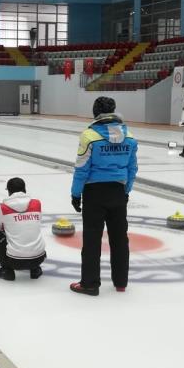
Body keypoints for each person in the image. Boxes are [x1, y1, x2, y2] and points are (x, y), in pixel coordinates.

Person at [69, 97, 138, 296]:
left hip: (94, 193)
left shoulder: (89, 135)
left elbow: (82, 168)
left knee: (92, 239)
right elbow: (132, 168)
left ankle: (90, 284)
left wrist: (75, 194)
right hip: (118, 192)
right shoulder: (129, 136)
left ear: (95, 112)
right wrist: (126, 191)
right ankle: (121, 281)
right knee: (119, 239)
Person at [0, 178, 45, 281]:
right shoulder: (36, 204)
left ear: (9, 191)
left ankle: (7, 270)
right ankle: (35, 269)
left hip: (15, 261)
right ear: (24, 189)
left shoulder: (4, 207)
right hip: (39, 258)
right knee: (30, 230)